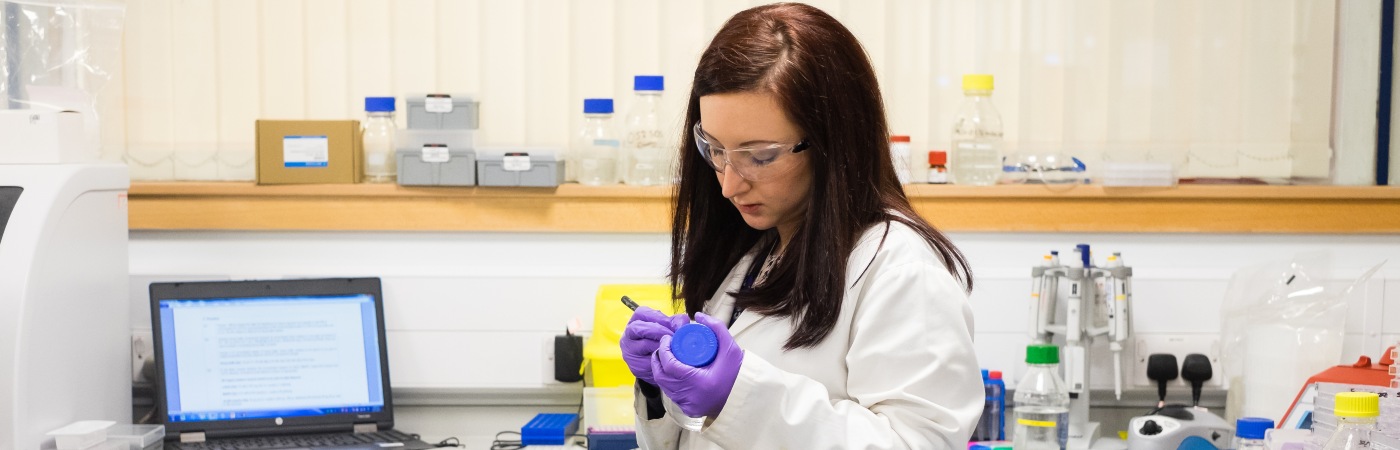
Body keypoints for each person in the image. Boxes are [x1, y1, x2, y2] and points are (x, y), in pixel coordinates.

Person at [619, 3, 982, 449]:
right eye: (714, 149)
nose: (729, 184)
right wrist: (661, 390)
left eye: (761, 155)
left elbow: (917, 443)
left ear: (833, 140)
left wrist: (738, 395)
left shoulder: (901, 270)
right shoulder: (758, 252)